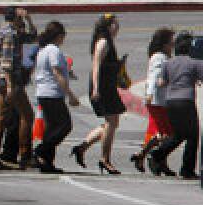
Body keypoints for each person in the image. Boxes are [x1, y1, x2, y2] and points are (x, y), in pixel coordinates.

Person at [71, 14, 126, 175]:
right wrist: (96, 88)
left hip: (108, 86)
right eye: (116, 24)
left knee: (112, 123)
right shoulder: (103, 42)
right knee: (111, 122)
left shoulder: (108, 42)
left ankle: (82, 147)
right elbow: (96, 66)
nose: (118, 28)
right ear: (109, 26)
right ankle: (105, 159)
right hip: (102, 87)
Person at [0, 6, 37, 170]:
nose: (22, 20)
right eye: (20, 17)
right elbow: (6, 63)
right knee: (24, 115)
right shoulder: (9, 34)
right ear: (15, 18)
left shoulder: (12, 32)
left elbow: (33, 36)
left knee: (5, 117)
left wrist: (29, 19)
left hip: (10, 81)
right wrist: (10, 86)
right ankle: (23, 155)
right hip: (9, 81)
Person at [147, 32, 203, 180]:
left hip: (170, 102)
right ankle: (187, 169)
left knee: (178, 134)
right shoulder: (195, 62)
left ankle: (157, 155)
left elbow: (161, 82)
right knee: (193, 135)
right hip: (186, 101)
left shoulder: (168, 63)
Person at [32, 21, 79, 173]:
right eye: (63, 36)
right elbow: (57, 73)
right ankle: (40, 150)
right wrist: (70, 95)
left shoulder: (43, 50)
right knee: (65, 125)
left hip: (43, 92)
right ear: (59, 36)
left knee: (51, 128)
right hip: (52, 93)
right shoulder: (53, 50)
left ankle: (46, 163)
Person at [132, 27, 174, 173]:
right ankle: (153, 157)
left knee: (160, 133)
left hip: (159, 100)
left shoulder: (161, 57)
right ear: (164, 44)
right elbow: (154, 77)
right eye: (171, 43)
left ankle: (144, 155)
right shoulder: (159, 57)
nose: (172, 46)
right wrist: (149, 94)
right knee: (168, 134)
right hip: (157, 101)